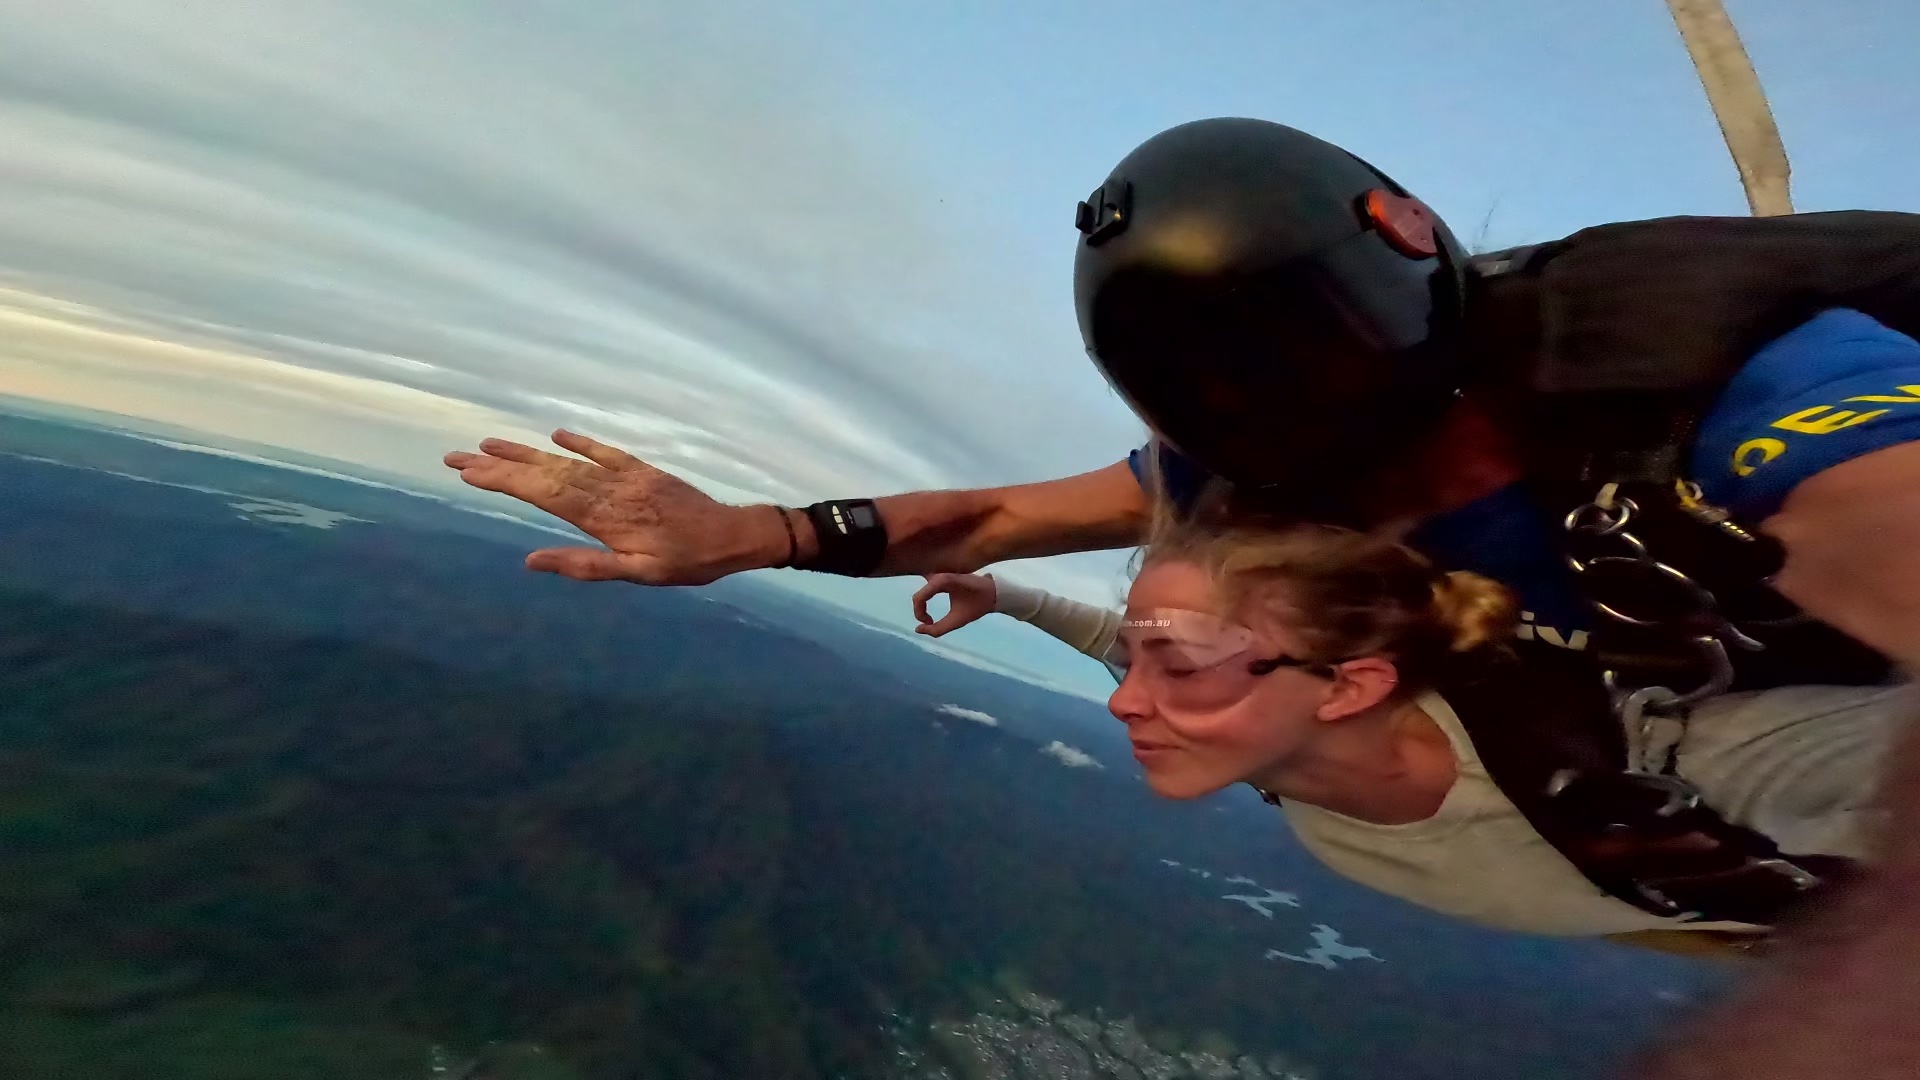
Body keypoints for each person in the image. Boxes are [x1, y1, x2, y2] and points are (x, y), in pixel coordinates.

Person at [445, 116, 1920, 1073]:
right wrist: (752, 534)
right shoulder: (1254, 490)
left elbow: (1879, 519)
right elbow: (993, 516)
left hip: (1798, 697)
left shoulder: (1738, 381)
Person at [910, 533, 1901, 955]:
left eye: (1172, 664)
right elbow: (1154, 654)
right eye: (1136, 660)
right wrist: (1010, 597)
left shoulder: (1670, 760)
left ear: (1349, 688)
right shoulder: (1286, 754)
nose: (1128, 702)